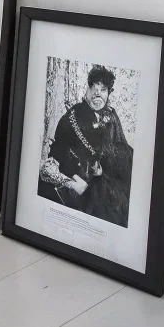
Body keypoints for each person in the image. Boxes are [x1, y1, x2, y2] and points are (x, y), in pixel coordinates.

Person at [38, 65, 133, 228]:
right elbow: (52, 163)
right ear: (87, 89)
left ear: (108, 93)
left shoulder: (111, 116)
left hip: (108, 183)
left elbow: (122, 150)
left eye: (103, 90)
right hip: (82, 186)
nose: (98, 94)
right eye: (94, 88)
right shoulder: (70, 119)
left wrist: (106, 171)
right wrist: (73, 183)